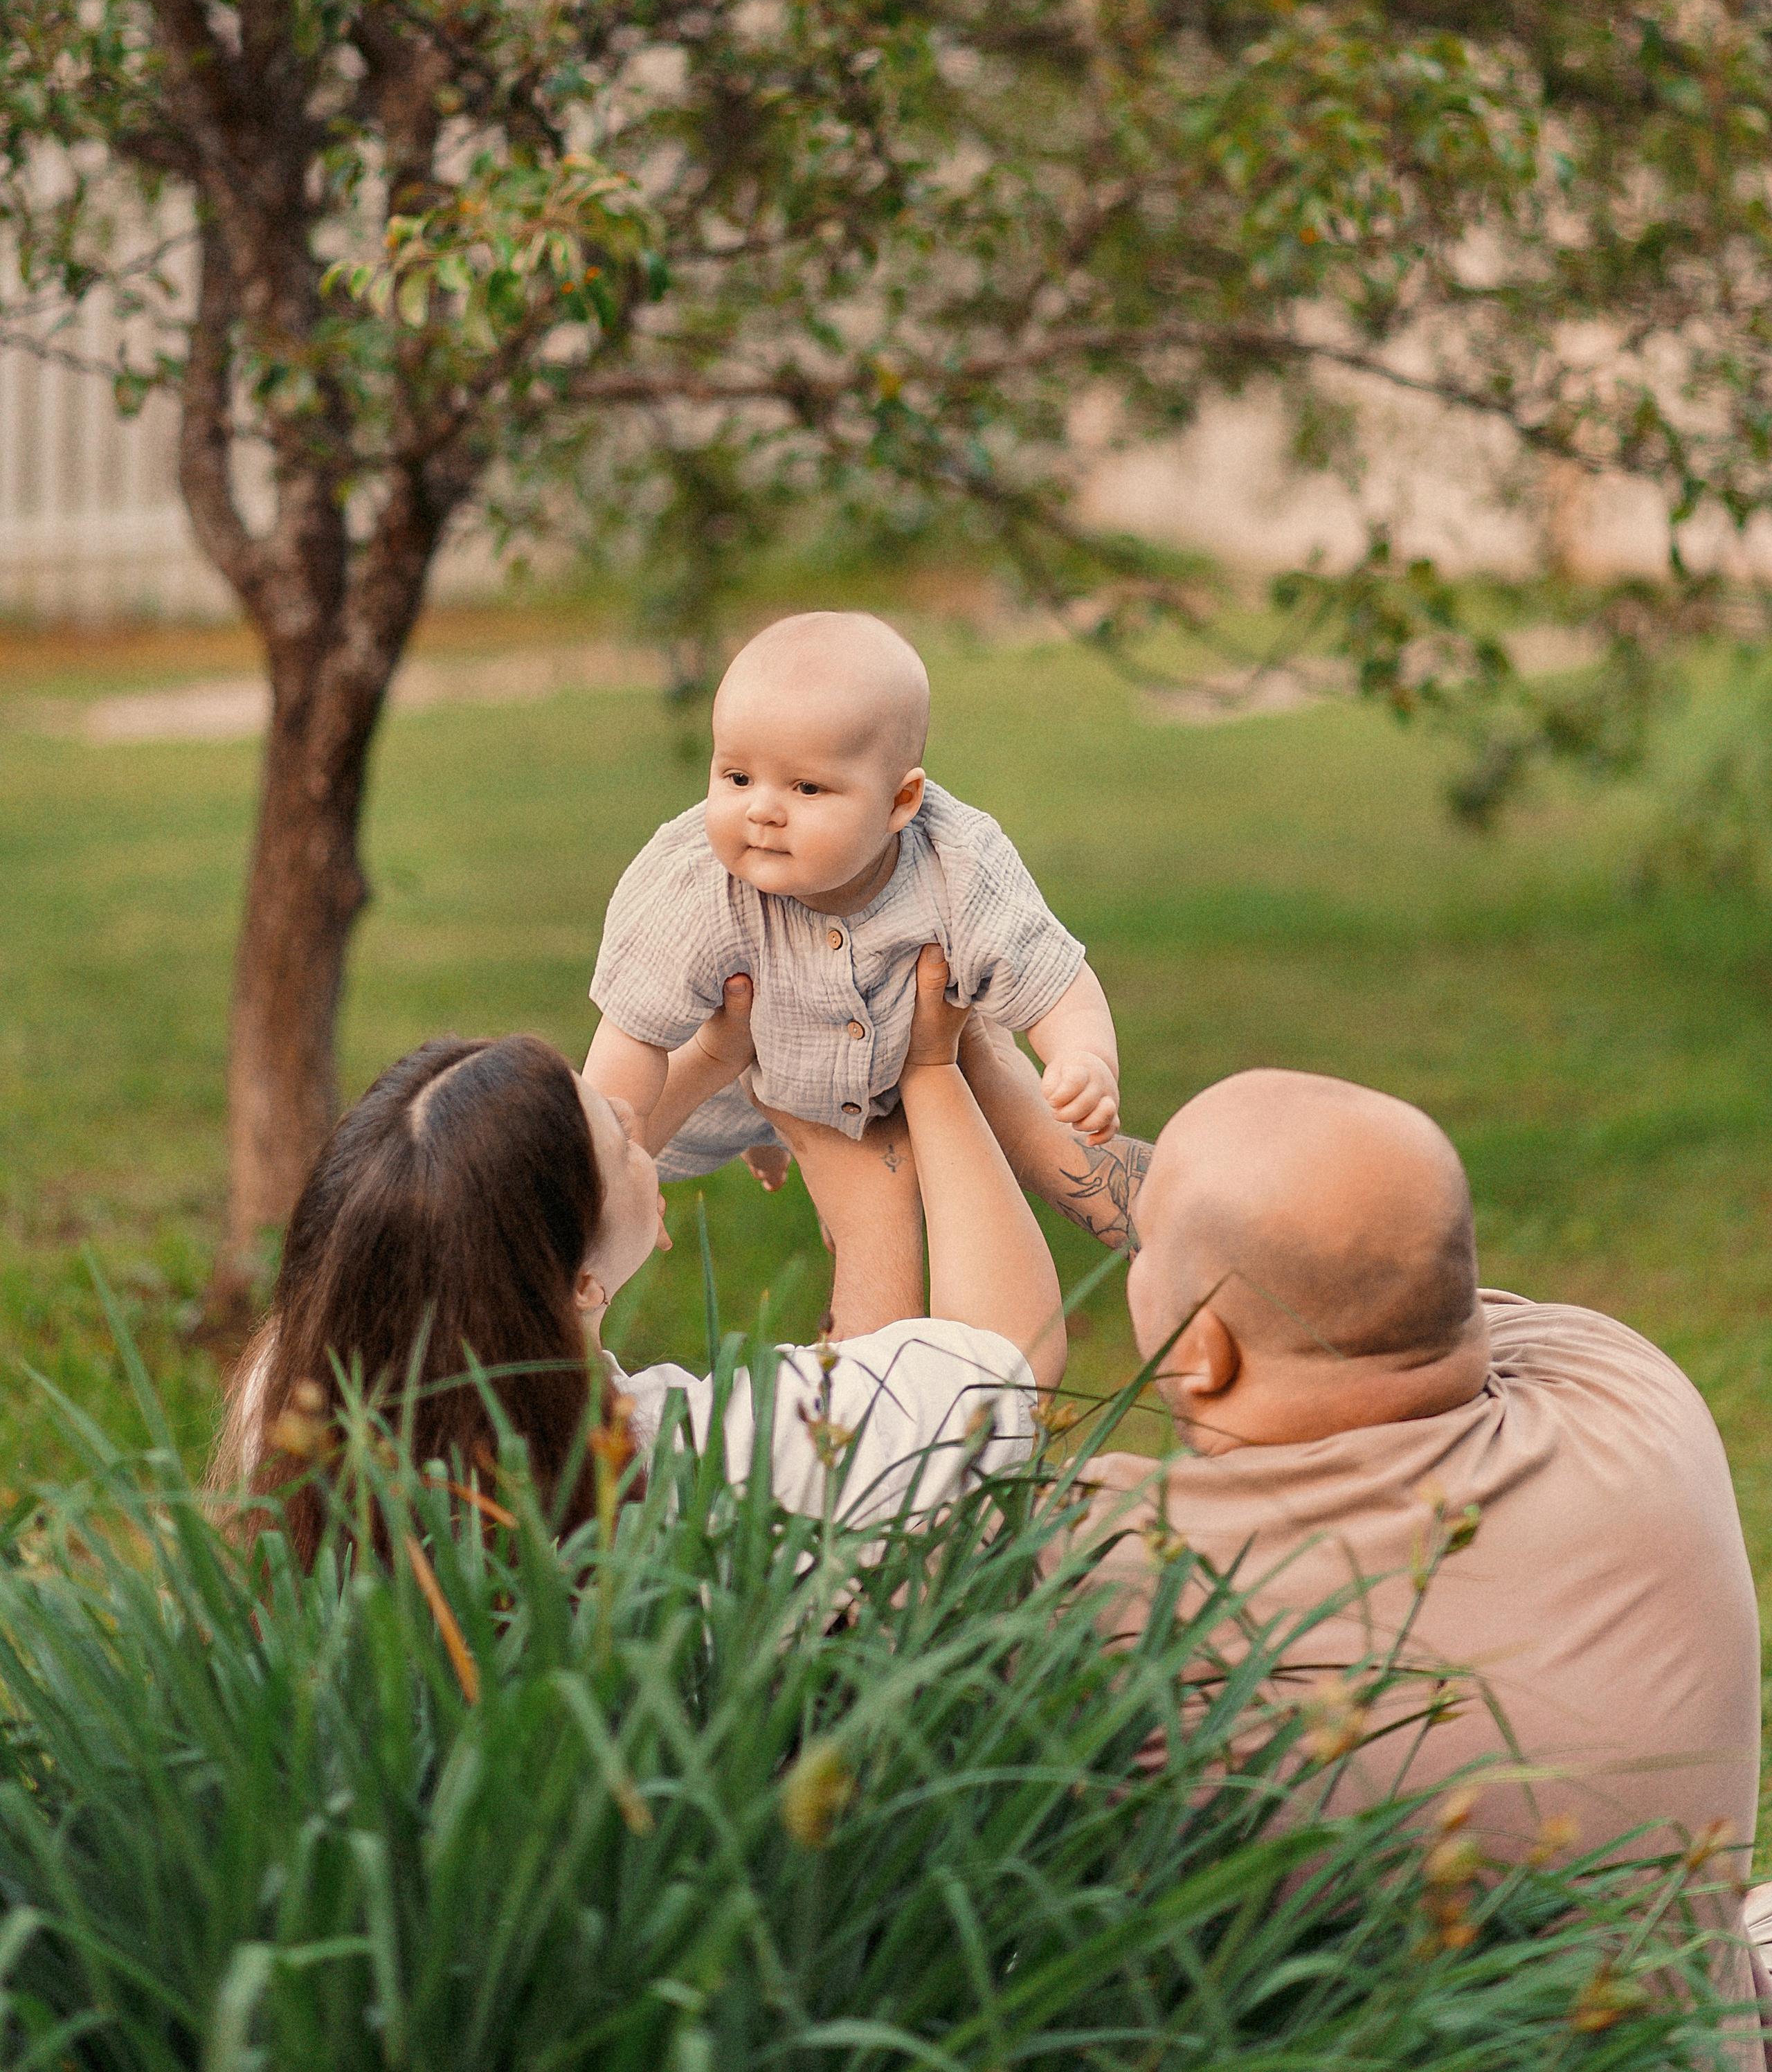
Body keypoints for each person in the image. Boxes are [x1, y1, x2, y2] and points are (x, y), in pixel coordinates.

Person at [1000, 1061, 1762, 2061]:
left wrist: (910, 1101)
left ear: (1203, 1353)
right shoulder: (1627, 1390)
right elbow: (1343, 1270)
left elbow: (904, 1435)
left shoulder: (1110, 1569)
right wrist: (982, 1063)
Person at [215, 952, 1065, 1551]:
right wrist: (929, 1069)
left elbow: (489, 1227)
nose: (638, 1117)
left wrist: (710, 1059)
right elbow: (1002, 1361)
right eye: (619, 1140)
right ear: (580, 1281)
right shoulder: (690, 1471)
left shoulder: (291, 1411)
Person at [583, 611, 1123, 1202]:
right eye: (737, 777)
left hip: (895, 1082)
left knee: (942, 1176)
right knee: (680, 1138)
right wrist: (610, 1158)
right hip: (738, 1084)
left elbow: (1053, 978)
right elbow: (633, 1037)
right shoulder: (695, 885)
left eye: (807, 788)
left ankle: (831, 1179)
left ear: (901, 801)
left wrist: (1084, 1057)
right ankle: (765, 1139)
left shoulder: (958, 867)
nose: (762, 810)